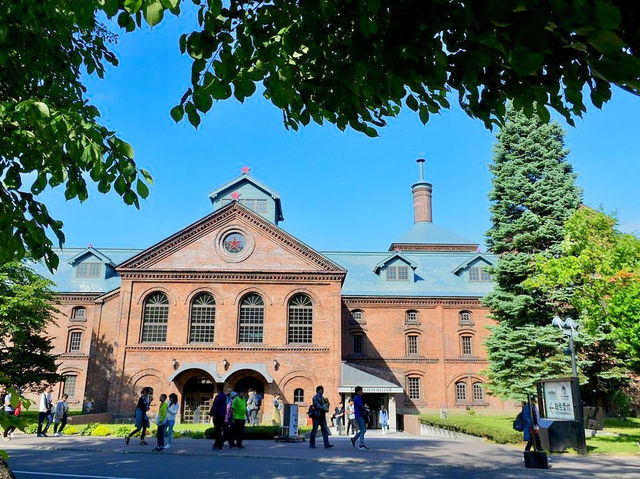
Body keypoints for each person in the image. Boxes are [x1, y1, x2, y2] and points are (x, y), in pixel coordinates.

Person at [210, 384, 227, 451]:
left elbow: (215, 405)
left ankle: (219, 446)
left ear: (218, 389)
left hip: (218, 415)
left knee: (217, 431)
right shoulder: (224, 396)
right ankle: (216, 445)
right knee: (219, 431)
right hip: (222, 415)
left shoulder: (219, 396)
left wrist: (212, 413)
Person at [351, 386, 368, 450]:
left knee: (363, 429)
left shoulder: (359, 397)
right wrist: (365, 410)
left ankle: (354, 439)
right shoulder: (356, 398)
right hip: (358, 415)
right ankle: (361, 445)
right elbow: (360, 406)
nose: (362, 391)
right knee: (363, 429)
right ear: (358, 392)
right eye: (361, 390)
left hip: (360, 415)